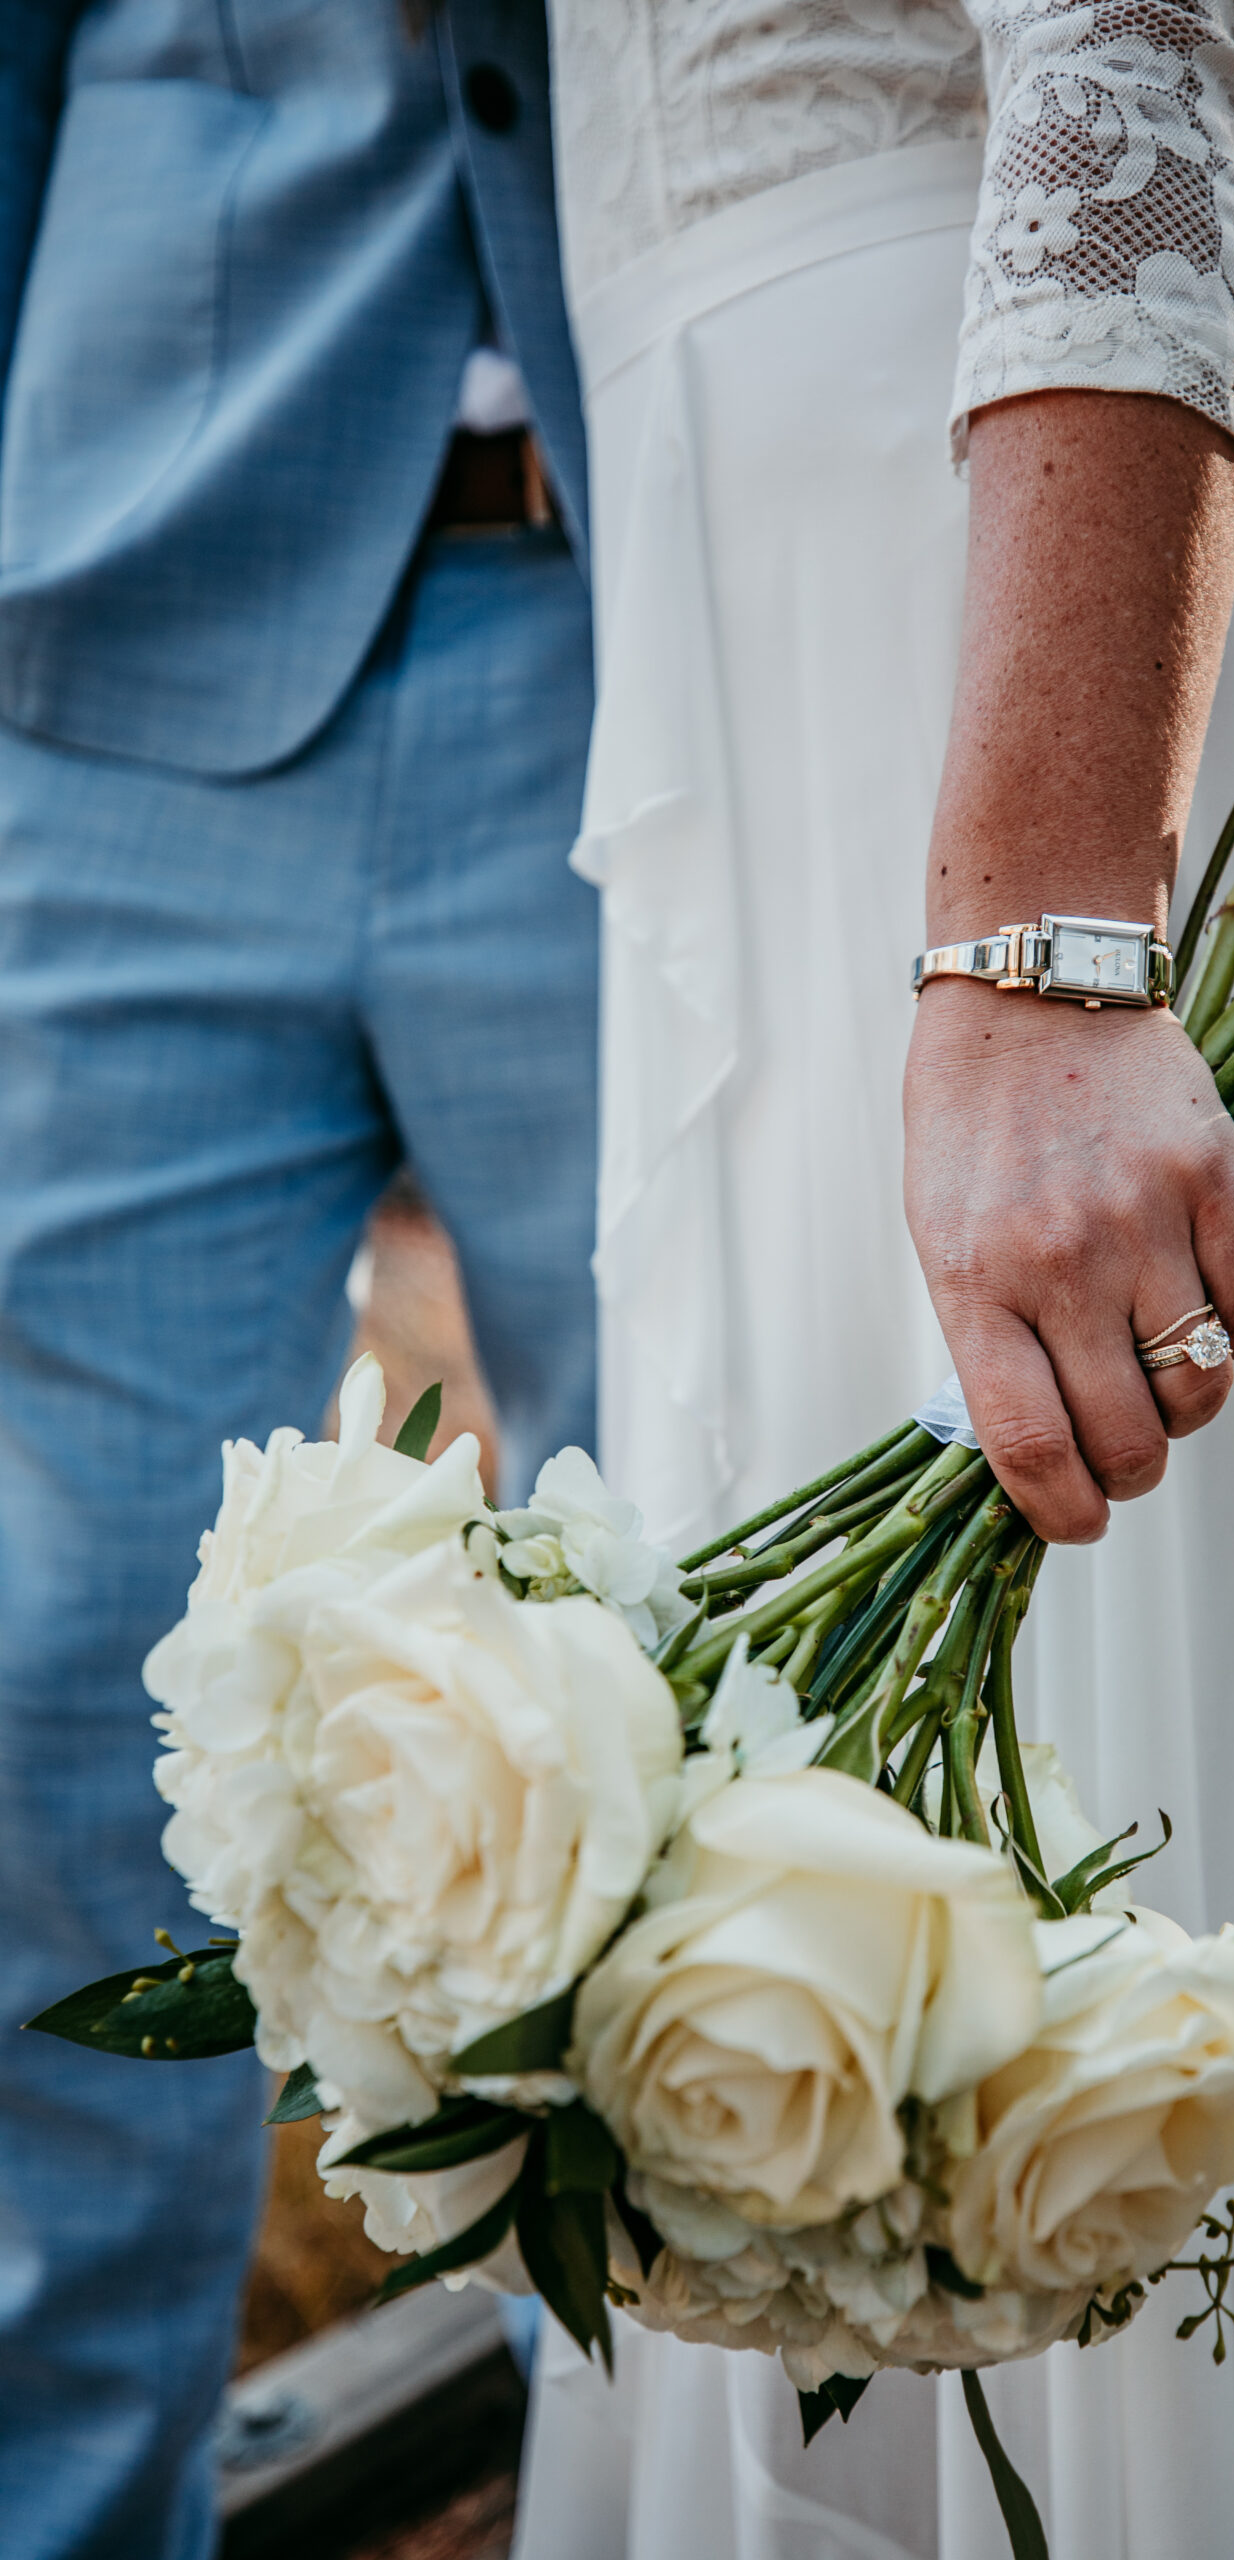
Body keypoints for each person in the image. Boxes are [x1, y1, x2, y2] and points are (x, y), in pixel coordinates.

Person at [514, 6, 1234, 2557]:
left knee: (1176, 1951)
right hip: (828, 604)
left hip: (1004, 675)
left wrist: (1046, 945)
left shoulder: (1027, 899)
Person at [0, 7, 597, 2556]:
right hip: (121, 641)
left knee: (724, 1638)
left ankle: (677, 2468)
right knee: (52, 1691)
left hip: (681, 630)